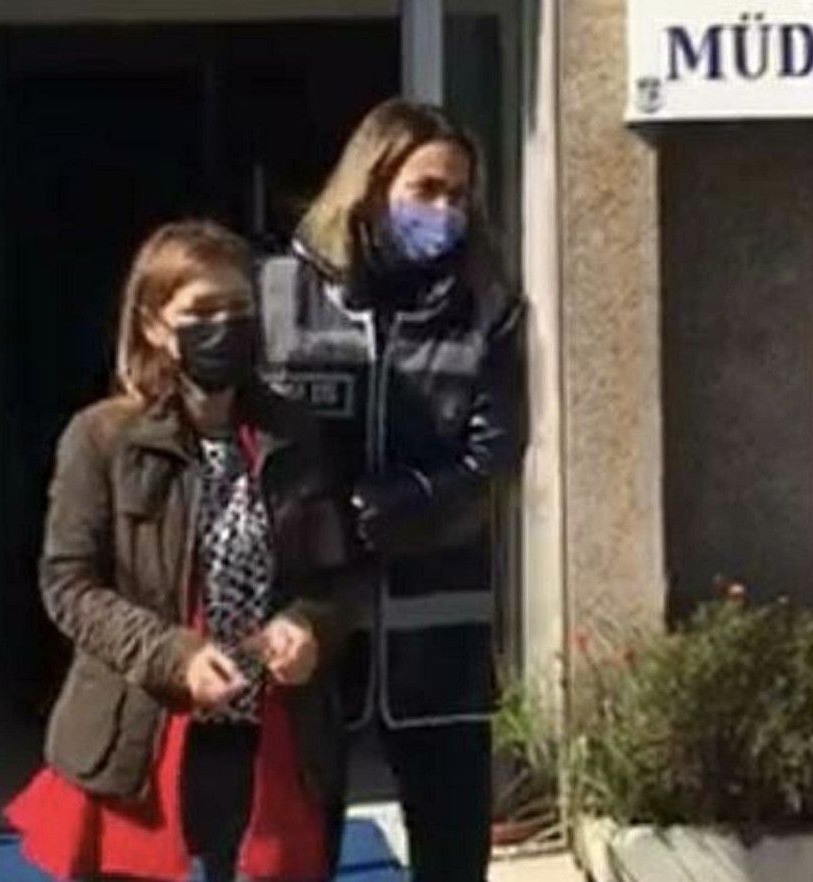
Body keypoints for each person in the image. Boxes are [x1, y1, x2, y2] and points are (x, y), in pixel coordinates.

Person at [5, 220, 355, 882]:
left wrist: (308, 626)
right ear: (154, 325)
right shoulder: (103, 439)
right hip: (145, 737)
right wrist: (175, 656)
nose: (223, 327)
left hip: (268, 743)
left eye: (238, 308)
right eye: (201, 311)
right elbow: (69, 584)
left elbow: (336, 580)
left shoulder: (294, 433)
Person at [256, 99, 526, 882]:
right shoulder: (282, 293)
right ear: (372, 186)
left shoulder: (487, 307)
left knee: (451, 846)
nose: (444, 210)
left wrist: (410, 499)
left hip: (437, 616)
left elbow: (495, 454)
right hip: (309, 620)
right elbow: (247, 444)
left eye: (458, 194)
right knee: (291, 849)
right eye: (426, 189)